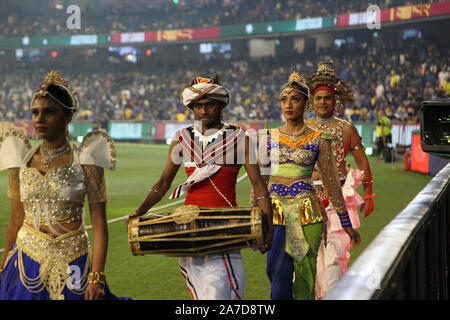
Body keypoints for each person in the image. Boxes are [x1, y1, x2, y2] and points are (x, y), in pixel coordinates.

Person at [126, 76, 273, 300]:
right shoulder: (181, 140)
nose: (203, 111)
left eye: (209, 104)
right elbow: (163, 183)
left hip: (226, 226)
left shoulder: (239, 139)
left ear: (221, 105)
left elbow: (259, 187)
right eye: (198, 105)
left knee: (221, 292)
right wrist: (139, 211)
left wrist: (268, 227)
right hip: (187, 227)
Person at [0, 70, 127, 300]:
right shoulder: (20, 158)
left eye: (49, 112)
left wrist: (96, 277)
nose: (39, 119)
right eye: (35, 112)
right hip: (25, 259)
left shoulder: (86, 158)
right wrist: (3, 265)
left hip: (74, 260)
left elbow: (99, 222)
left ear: (68, 117)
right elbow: (16, 220)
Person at [256, 71, 360, 300]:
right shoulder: (268, 137)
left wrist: (346, 223)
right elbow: (259, 183)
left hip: (308, 213)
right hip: (275, 213)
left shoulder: (319, 138)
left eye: (295, 99)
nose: (288, 104)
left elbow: (332, 184)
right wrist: (253, 217)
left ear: (306, 104)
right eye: (284, 99)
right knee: (278, 277)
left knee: (305, 277)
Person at [305, 60, 375, 299]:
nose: (323, 102)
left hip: (339, 203)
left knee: (334, 260)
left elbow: (363, 164)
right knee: (309, 263)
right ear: (311, 102)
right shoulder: (301, 128)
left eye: (327, 98)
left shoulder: (346, 129)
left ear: (335, 101)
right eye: (318, 98)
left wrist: (369, 195)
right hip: (307, 200)